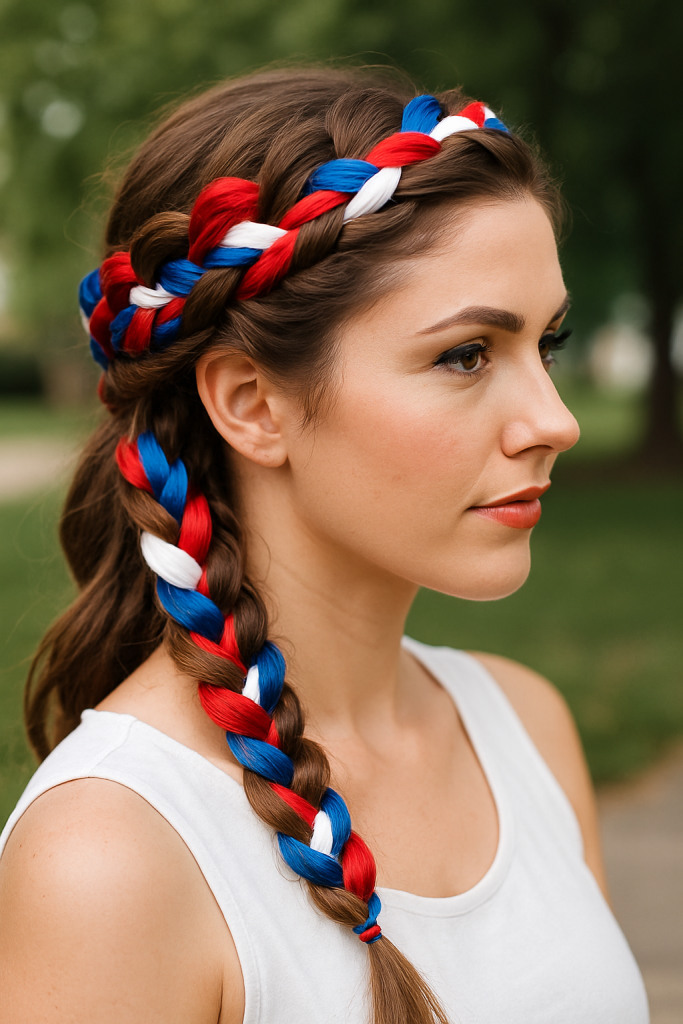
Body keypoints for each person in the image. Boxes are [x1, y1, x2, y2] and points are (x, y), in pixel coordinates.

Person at [0, 67, 649, 1024]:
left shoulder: (523, 728)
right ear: (252, 406)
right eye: (465, 354)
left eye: (544, 346)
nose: (555, 422)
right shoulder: (113, 858)